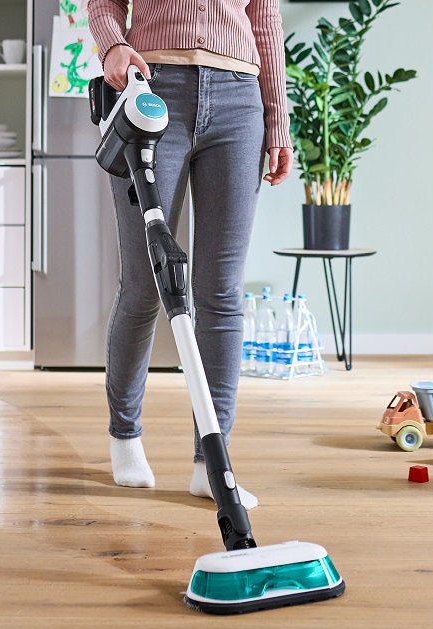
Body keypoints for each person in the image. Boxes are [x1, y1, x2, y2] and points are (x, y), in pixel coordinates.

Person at [87, 0, 293, 510]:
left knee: (220, 294)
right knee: (143, 285)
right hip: (153, 90)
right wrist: (113, 44)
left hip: (240, 100)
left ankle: (211, 462)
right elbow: (102, 3)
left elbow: (264, 18)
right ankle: (125, 433)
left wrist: (277, 121)